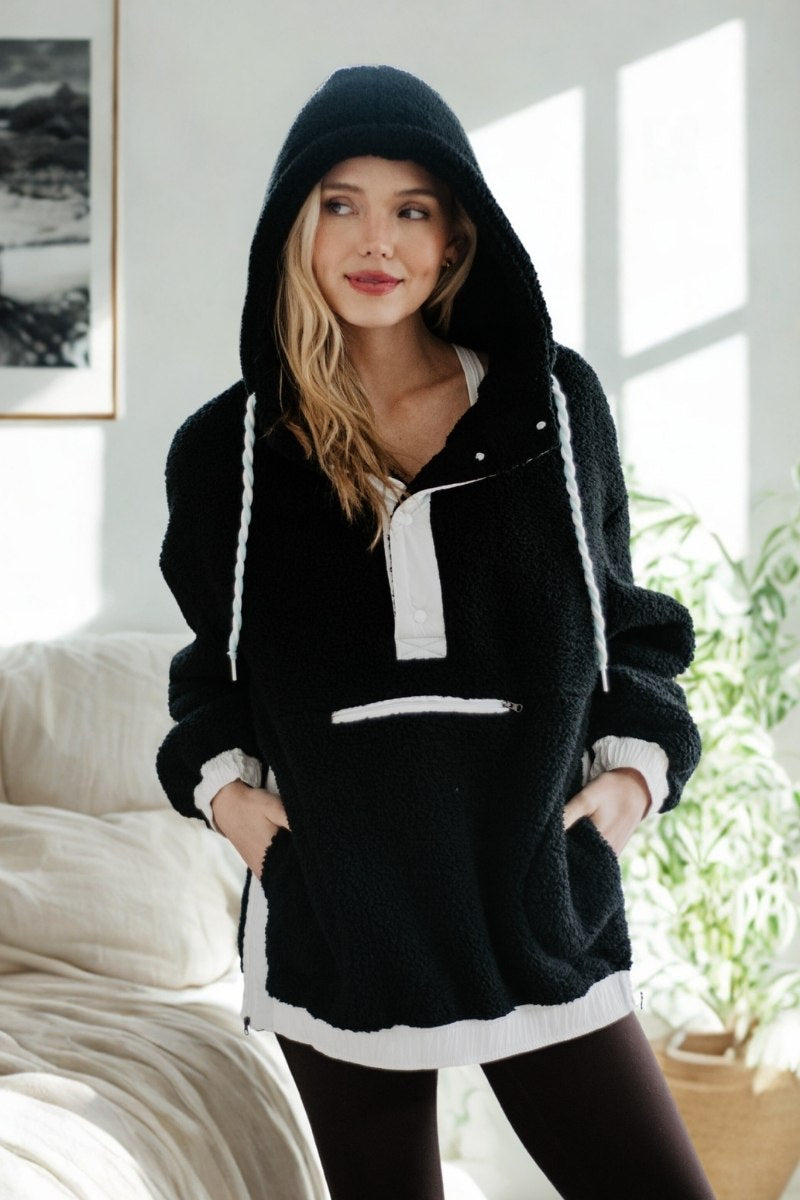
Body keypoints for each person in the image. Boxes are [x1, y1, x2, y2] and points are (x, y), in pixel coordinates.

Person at [156, 64, 716, 1200]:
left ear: (456, 239)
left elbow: (626, 627)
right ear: (295, 226)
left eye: (410, 209)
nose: (377, 240)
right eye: (341, 204)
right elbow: (213, 674)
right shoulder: (229, 453)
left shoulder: (549, 406)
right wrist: (231, 804)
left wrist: (629, 785)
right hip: (339, 915)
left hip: (531, 898)